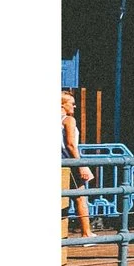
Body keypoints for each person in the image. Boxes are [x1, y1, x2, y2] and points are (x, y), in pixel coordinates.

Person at [61, 90, 94, 238]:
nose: (74, 107)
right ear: (62, 104)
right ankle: (86, 234)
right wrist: (81, 165)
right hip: (69, 163)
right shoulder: (68, 120)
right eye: (72, 104)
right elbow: (70, 145)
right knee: (80, 198)